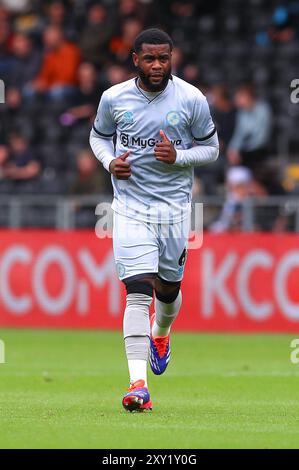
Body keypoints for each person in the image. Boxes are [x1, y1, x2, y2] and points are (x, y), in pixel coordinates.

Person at [89, 28, 219, 412]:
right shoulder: (113, 98)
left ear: (171, 58)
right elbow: (98, 137)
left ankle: (161, 333)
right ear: (135, 59)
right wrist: (109, 161)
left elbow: (211, 148)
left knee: (168, 291)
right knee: (137, 291)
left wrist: (178, 157)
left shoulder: (192, 99)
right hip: (130, 209)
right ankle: (138, 385)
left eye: (164, 58)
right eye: (150, 58)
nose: (158, 65)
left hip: (176, 212)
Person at [227, 84, 272, 175]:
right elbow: (239, 134)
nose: (236, 100)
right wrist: (232, 149)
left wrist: (241, 150)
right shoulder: (241, 113)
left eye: (240, 97)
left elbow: (260, 137)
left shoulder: (263, 109)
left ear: (248, 96)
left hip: (259, 149)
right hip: (246, 150)